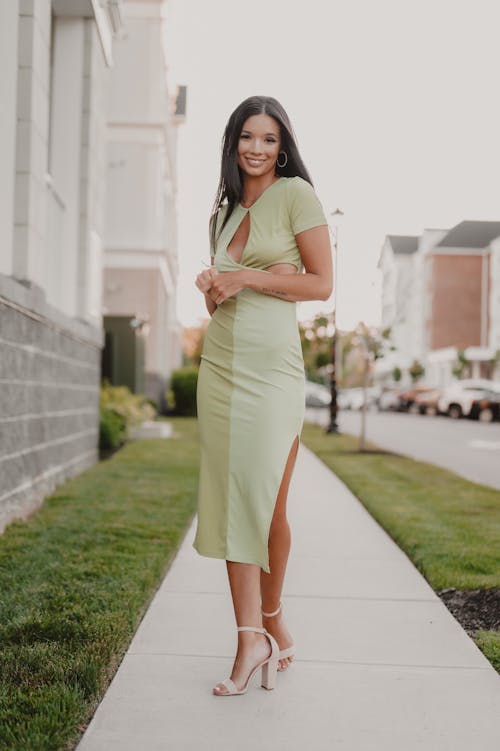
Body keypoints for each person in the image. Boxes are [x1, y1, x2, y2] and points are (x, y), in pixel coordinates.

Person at [194, 95, 333, 696]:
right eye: (247, 137)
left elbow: (322, 284)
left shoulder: (297, 195)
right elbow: (221, 297)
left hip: (272, 370)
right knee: (233, 501)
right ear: (233, 143)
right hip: (221, 364)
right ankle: (251, 636)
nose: (257, 148)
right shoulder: (223, 211)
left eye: (269, 139)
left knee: (267, 504)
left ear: (283, 146)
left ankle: (270, 621)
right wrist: (212, 286)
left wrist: (248, 275)